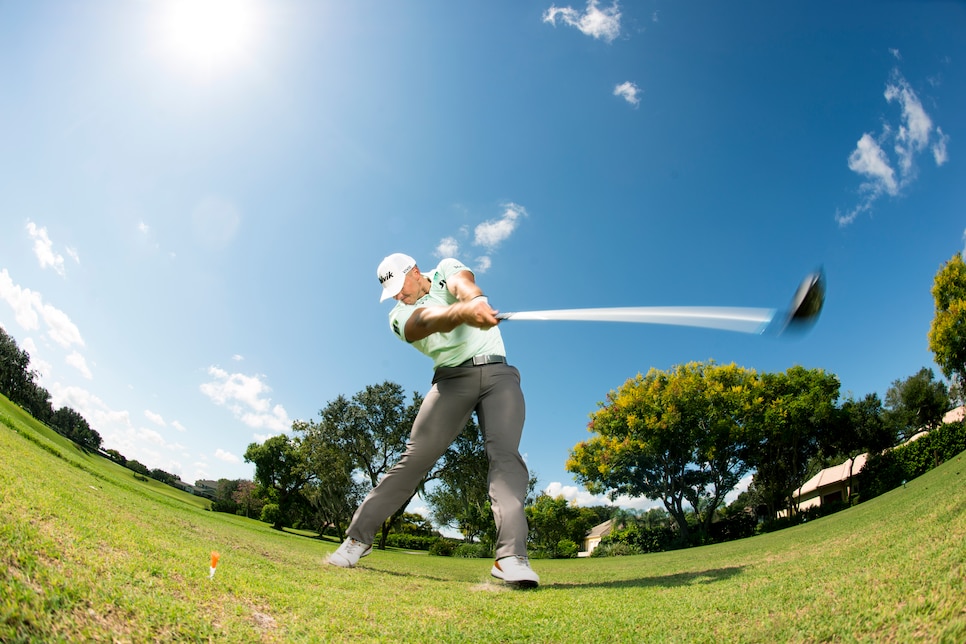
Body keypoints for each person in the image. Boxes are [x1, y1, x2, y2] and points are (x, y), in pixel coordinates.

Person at [328, 253, 538, 588]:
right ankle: (357, 539)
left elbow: (462, 283)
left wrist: (476, 300)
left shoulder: (444, 270)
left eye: (400, 286)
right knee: (414, 459)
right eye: (392, 292)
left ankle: (511, 558)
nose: (398, 295)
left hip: (499, 375)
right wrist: (464, 312)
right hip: (451, 382)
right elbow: (426, 322)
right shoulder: (399, 316)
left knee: (506, 458)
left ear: (414, 272)